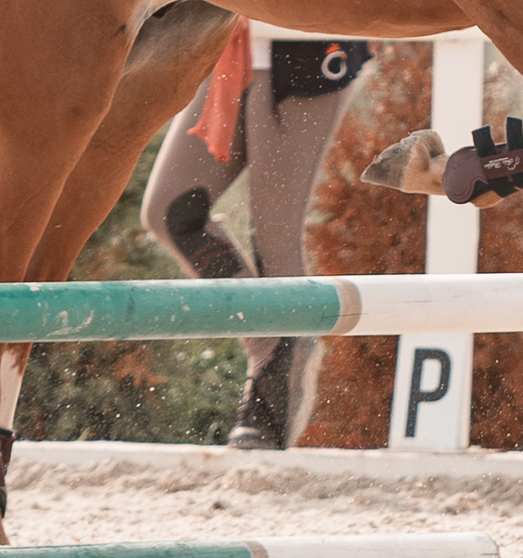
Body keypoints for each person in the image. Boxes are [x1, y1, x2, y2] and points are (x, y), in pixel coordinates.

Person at [142, 23, 372, 449]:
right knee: (169, 212)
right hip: (231, 40)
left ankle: (275, 385)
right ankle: (274, 342)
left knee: (274, 241)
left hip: (304, 42)